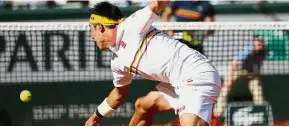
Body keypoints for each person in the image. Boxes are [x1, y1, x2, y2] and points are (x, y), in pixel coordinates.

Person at [85, 1, 221, 126]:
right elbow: (118, 94)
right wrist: (95, 116)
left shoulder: (131, 25)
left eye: (91, 29)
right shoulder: (117, 62)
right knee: (143, 106)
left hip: (196, 74)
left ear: (100, 27)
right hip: (176, 82)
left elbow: (158, 3)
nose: (91, 36)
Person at [213, 36, 266, 118]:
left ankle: (259, 113)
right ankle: (216, 115)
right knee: (225, 89)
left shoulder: (263, 52)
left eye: (261, 43)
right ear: (254, 43)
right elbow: (234, 63)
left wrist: (258, 77)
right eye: (258, 42)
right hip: (239, 70)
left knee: (257, 89)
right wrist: (229, 78)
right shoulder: (248, 51)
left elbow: (258, 65)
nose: (260, 44)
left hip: (251, 73)